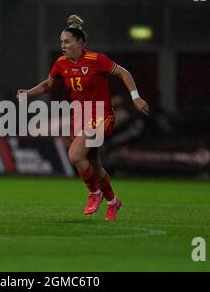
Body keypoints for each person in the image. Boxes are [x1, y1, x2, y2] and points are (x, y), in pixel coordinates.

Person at [17, 14, 149, 221]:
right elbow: (47, 85)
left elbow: (125, 73)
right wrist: (28, 93)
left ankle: (94, 193)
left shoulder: (97, 60)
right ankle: (113, 202)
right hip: (79, 118)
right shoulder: (61, 63)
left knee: (75, 155)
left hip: (101, 116)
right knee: (94, 166)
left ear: (79, 43)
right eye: (61, 42)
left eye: (67, 41)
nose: (63, 45)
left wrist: (136, 97)